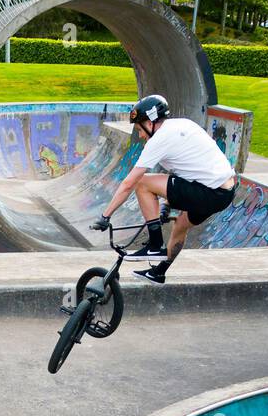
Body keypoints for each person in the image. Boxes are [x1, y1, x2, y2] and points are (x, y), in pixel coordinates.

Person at [89, 95, 238, 286]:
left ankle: (155, 244)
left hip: (208, 192)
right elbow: (189, 168)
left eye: (139, 128)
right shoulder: (182, 125)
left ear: (150, 122)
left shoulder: (159, 140)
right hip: (224, 191)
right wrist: (166, 205)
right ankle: (159, 272)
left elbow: (129, 183)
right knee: (181, 225)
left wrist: (105, 216)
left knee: (142, 183)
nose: (140, 135)